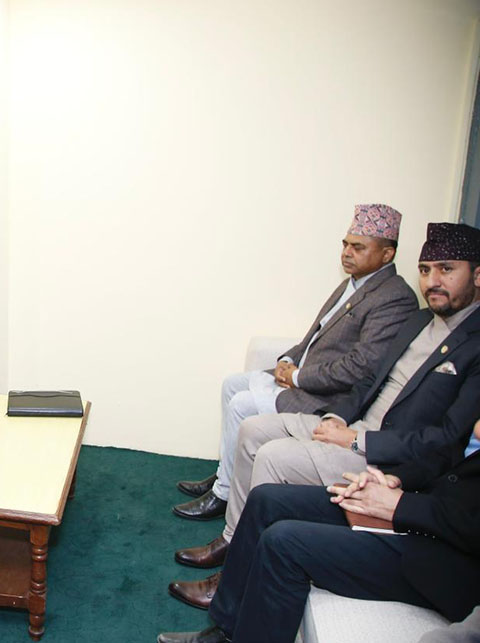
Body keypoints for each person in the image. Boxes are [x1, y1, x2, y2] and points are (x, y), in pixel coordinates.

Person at [170, 222, 480, 609]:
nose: (433, 281)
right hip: (351, 424)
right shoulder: (419, 321)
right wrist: (338, 418)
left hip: (385, 455)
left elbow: (447, 438)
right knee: (252, 430)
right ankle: (233, 542)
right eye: (426, 270)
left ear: (477, 275)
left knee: (272, 456)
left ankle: (235, 576)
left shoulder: (473, 343)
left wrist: (357, 439)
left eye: (447, 269)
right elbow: (369, 380)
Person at [174, 204, 417, 522]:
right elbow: (315, 335)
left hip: (329, 397)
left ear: (387, 254)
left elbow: (361, 367)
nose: (347, 253)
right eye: (345, 244)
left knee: (242, 405)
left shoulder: (394, 297)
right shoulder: (353, 283)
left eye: (358, 247)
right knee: (232, 384)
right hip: (307, 379)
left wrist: (298, 376)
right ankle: (228, 473)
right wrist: (287, 360)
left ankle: (223, 494)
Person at [156, 418, 480, 643]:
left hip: (450, 559)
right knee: (267, 499)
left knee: (284, 543)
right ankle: (226, 627)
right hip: (424, 507)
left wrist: (401, 506)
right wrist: (396, 480)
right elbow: (450, 454)